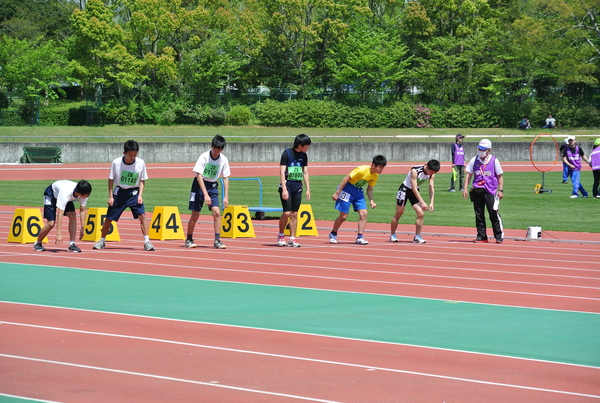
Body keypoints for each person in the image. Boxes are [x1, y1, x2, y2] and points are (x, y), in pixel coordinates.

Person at [93, 140, 155, 251]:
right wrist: (110, 196)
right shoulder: (116, 163)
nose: (133, 157)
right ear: (124, 153)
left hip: (134, 193)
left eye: (135, 155)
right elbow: (111, 179)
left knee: (143, 216)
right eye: (130, 155)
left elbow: (142, 180)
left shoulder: (140, 163)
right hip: (120, 193)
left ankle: (147, 242)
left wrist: (140, 195)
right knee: (108, 219)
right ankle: (102, 241)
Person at [329, 155, 387, 245]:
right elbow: (346, 178)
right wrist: (337, 192)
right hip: (347, 190)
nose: (381, 170)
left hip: (358, 192)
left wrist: (371, 200)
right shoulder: (362, 170)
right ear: (373, 165)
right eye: (380, 167)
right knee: (343, 216)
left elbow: (369, 189)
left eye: (383, 168)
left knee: (364, 213)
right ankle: (333, 233)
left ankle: (360, 237)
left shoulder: (375, 176)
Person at [186, 135, 231, 249]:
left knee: (216, 213)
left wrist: (226, 196)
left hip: (213, 186)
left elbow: (226, 178)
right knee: (195, 214)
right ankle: (189, 239)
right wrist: (205, 194)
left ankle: (217, 240)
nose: (216, 152)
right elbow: (199, 176)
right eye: (215, 149)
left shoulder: (223, 159)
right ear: (211, 147)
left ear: (222, 149)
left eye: (219, 149)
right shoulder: (204, 157)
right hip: (199, 186)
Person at [462, 139, 504, 243]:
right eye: (479, 149)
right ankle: (482, 236)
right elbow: (468, 175)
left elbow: (500, 176)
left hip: (490, 190)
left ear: (488, 150)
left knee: (493, 213)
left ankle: (498, 235)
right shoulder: (474, 160)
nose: (481, 151)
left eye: (483, 149)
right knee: (479, 214)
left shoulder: (494, 160)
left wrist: (501, 190)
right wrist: (465, 188)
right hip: (477, 190)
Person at [33, 180, 92, 252]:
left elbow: (82, 210)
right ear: (80, 194)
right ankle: (38, 243)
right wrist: (58, 234)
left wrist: (83, 227)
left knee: (73, 215)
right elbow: (60, 215)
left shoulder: (83, 194)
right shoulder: (66, 193)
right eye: (87, 194)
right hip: (51, 195)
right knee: (51, 223)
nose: (88, 196)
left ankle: (71, 244)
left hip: (66, 197)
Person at [390, 159, 440, 244]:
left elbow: (431, 187)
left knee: (421, 213)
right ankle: (392, 234)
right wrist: (422, 202)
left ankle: (417, 236)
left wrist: (431, 202)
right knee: (399, 213)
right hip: (405, 190)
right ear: (427, 167)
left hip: (415, 191)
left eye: (434, 173)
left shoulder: (432, 174)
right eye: (431, 172)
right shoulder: (415, 171)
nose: (432, 174)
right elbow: (413, 188)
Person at [277, 133, 311, 247]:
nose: (308, 148)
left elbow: (305, 172)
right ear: (300, 145)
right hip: (287, 185)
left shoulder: (304, 156)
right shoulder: (286, 154)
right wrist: (284, 189)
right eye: (307, 145)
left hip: (297, 186)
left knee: (294, 214)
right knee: (286, 213)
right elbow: (281, 172)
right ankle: (281, 235)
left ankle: (292, 238)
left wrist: (308, 189)